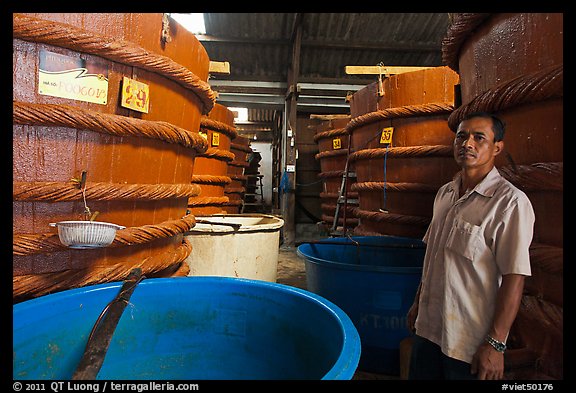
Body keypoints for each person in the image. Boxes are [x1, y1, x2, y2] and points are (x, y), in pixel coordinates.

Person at [406, 112, 535, 380]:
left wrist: (496, 344)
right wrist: (418, 303)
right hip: (428, 330)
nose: (468, 144)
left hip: (468, 343)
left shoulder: (510, 203)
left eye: (479, 138)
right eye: (462, 136)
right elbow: (433, 257)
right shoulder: (445, 194)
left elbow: (514, 277)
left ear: (497, 147)